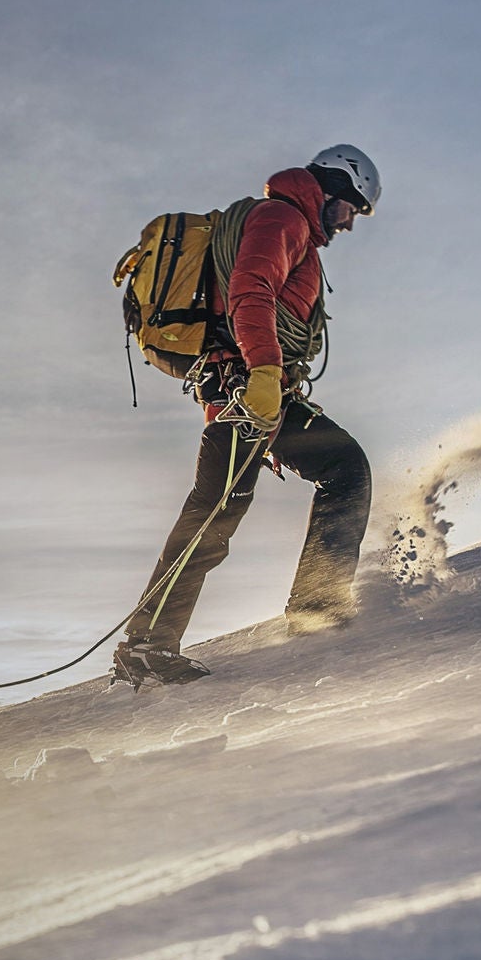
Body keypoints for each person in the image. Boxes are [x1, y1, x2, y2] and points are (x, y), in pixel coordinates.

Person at [115, 145, 381, 686]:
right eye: (354, 208)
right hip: (247, 390)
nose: (352, 223)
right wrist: (262, 371)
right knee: (241, 504)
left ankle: (149, 644)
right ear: (336, 189)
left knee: (221, 510)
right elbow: (250, 290)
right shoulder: (283, 217)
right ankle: (313, 612)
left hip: (248, 390)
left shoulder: (287, 222)